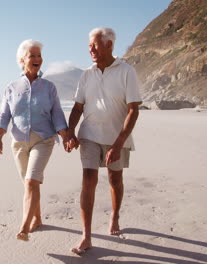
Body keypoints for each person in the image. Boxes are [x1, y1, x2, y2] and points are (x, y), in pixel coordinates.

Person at [67, 27, 142, 254]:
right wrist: (70, 132)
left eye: (95, 45)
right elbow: (78, 107)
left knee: (114, 179)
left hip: (116, 137)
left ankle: (115, 215)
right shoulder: (86, 74)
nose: (90, 49)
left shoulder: (126, 71)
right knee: (88, 178)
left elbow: (133, 110)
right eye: (89, 45)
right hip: (89, 134)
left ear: (109, 45)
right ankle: (86, 236)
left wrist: (119, 143)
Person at [0, 39, 71, 241]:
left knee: (31, 181)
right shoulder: (11, 87)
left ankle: (24, 227)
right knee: (30, 183)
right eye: (32, 56)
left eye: (39, 56)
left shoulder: (49, 87)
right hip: (18, 141)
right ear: (22, 60)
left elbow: (57, 114)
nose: (37, 59)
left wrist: (65, 136)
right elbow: (4, 114)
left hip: (43, 139)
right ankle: (37, 218)